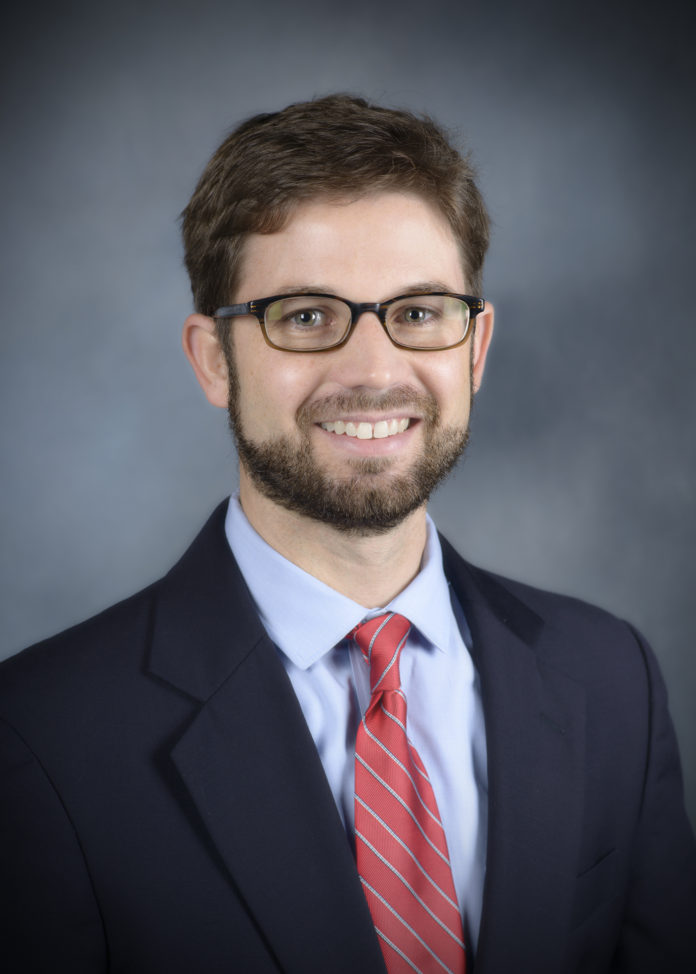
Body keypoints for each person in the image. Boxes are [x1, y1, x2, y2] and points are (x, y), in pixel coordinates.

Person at [1, 95, 694, 974]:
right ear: (214, 360)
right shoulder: (39, 738)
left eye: (417, 312)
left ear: (474, 349)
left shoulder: (611, 682)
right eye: (305, 317)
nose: (373, 373)